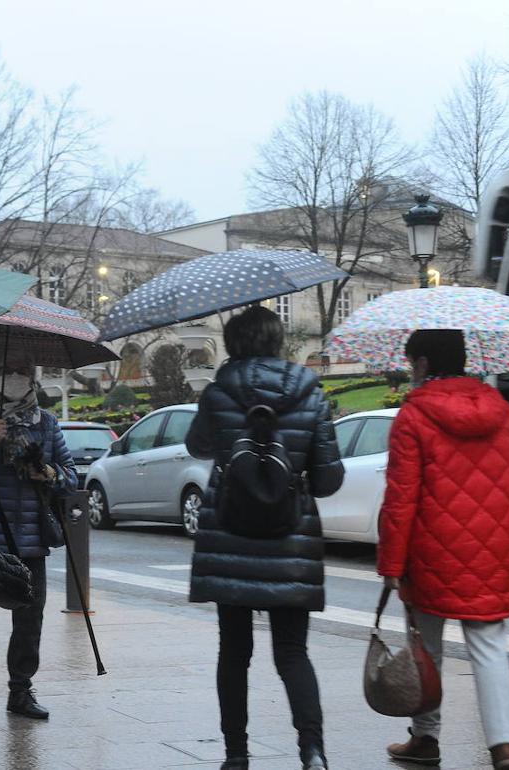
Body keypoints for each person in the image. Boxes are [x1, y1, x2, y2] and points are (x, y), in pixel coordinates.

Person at [184, 306, 345, 770]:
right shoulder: (310, 394)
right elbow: (330, 478)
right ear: (278, 340)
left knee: (233, 653)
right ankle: (312, 751)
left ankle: (236, 754)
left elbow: (198, 447)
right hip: (290, 538)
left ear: (233, 343)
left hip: (229, 535)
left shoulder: (218, 393)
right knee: (293, 653)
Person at [378, 330, 509, 770]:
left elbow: (401, 497)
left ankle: (426, 738)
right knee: (489, 646)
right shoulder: (500, 409)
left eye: (412, 363)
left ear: (423, 363)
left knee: (426, 647)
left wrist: (391, 563)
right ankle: (504, 747)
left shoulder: (414, 415)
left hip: (431, 551)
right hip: (493, 547)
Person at [0, 353, 77, 720]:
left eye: (23, 371)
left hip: (30, 538)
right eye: (8, 370)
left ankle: (21, 690)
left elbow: (70, 476)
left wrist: (46, 472)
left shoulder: (45, 422)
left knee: (30, 619)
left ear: (34, 378)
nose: (15, 377)